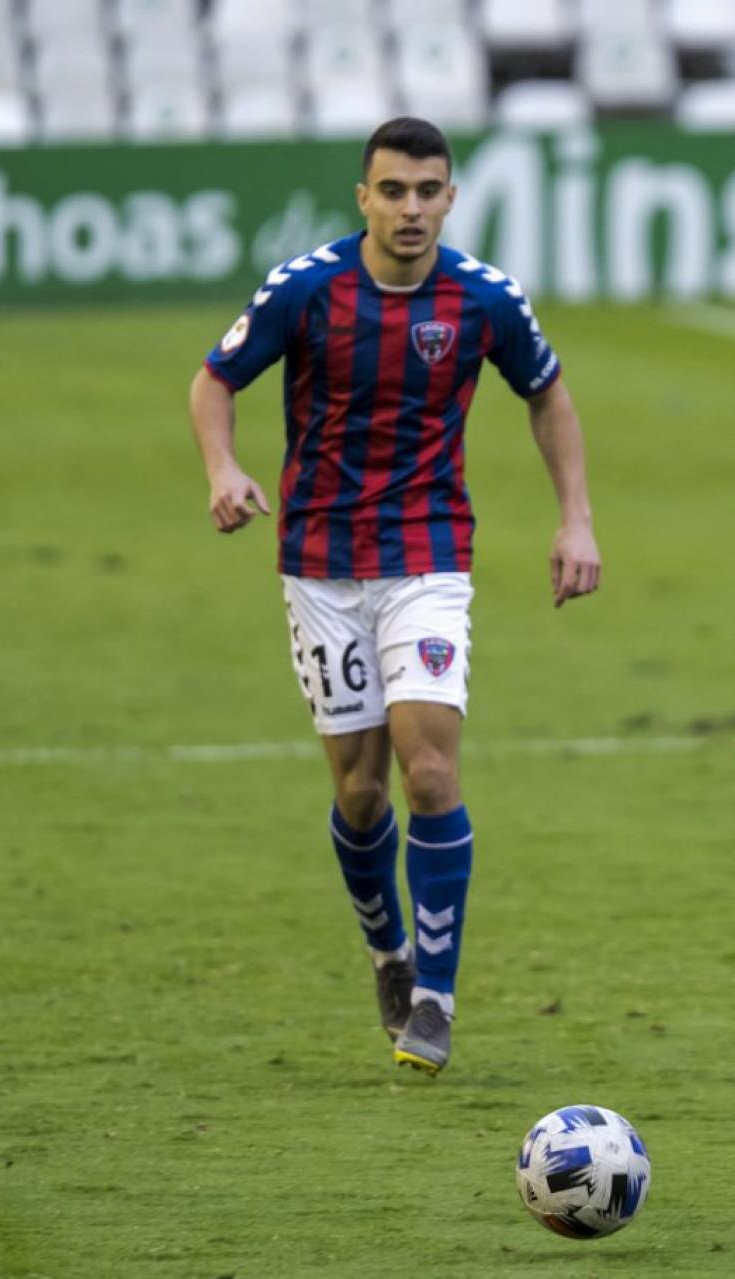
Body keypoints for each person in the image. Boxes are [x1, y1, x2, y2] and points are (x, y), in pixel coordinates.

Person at [186, 117, 602, 1076]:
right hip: (321, 562)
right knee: (362, 791)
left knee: (429, 774)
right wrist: (222, 468)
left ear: (450, 198)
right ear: (363, 198)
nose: (411, 208)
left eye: (428, 191)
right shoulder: (307, 289)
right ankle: (387, 952)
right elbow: (215, 380)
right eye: (393, 191)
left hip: (428, 557)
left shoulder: (485, 298)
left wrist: (574, 518)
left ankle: (435, 999)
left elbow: (548, 394)